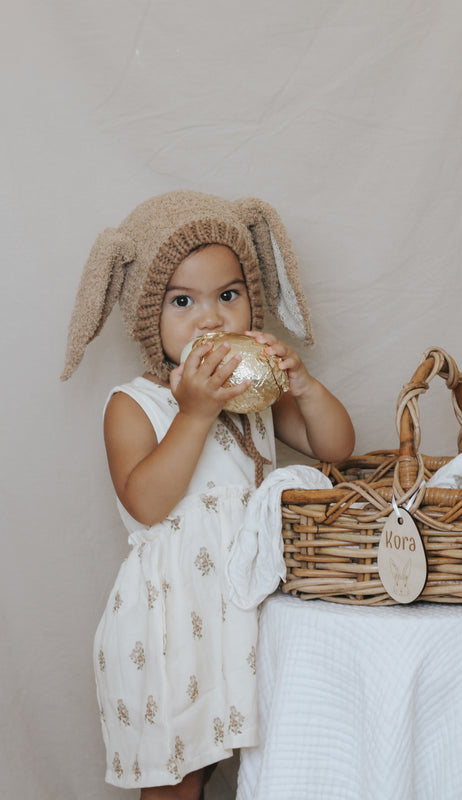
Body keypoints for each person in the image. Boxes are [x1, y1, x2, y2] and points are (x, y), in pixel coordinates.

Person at [62, 190, 355, 799]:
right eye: (182, 301)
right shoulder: (133, 405)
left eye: (228, 295)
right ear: (150, 317)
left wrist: (304, 387)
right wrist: (193, 414)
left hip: (246, 615)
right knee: (183, 776)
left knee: (269, 763)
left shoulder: (254, 397)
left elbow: (336, 449)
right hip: (174, 622)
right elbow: (145, 500)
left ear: (253, 299)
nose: (211, 318)